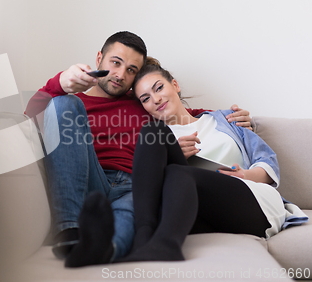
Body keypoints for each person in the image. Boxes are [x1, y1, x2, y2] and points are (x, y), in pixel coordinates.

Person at [25, 32, 252, 267]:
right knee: (63, 102)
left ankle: (103, 250)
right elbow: (29, 119)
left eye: (131, 70)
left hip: (136, 184)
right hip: (90, 177)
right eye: (116, 63)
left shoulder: (143, 101)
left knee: (132, 212)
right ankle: (70, 232)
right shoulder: (76, 104)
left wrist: (232, 118)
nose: (121, 75)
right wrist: (60, 83)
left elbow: (185, 114)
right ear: (99, 58)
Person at [103, 59, 308, 263]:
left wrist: (246, 174)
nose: (155, 99)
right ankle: (144, 238)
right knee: (153, 135)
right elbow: (152, 187)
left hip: (249, 200)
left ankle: (164, 245)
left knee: (178, 172)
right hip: (199, 211)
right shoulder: (157, 142)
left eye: (159, 88)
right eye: (146, 98)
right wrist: (172, 155)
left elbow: (267, 159)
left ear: (175, 85)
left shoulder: (226, 119)